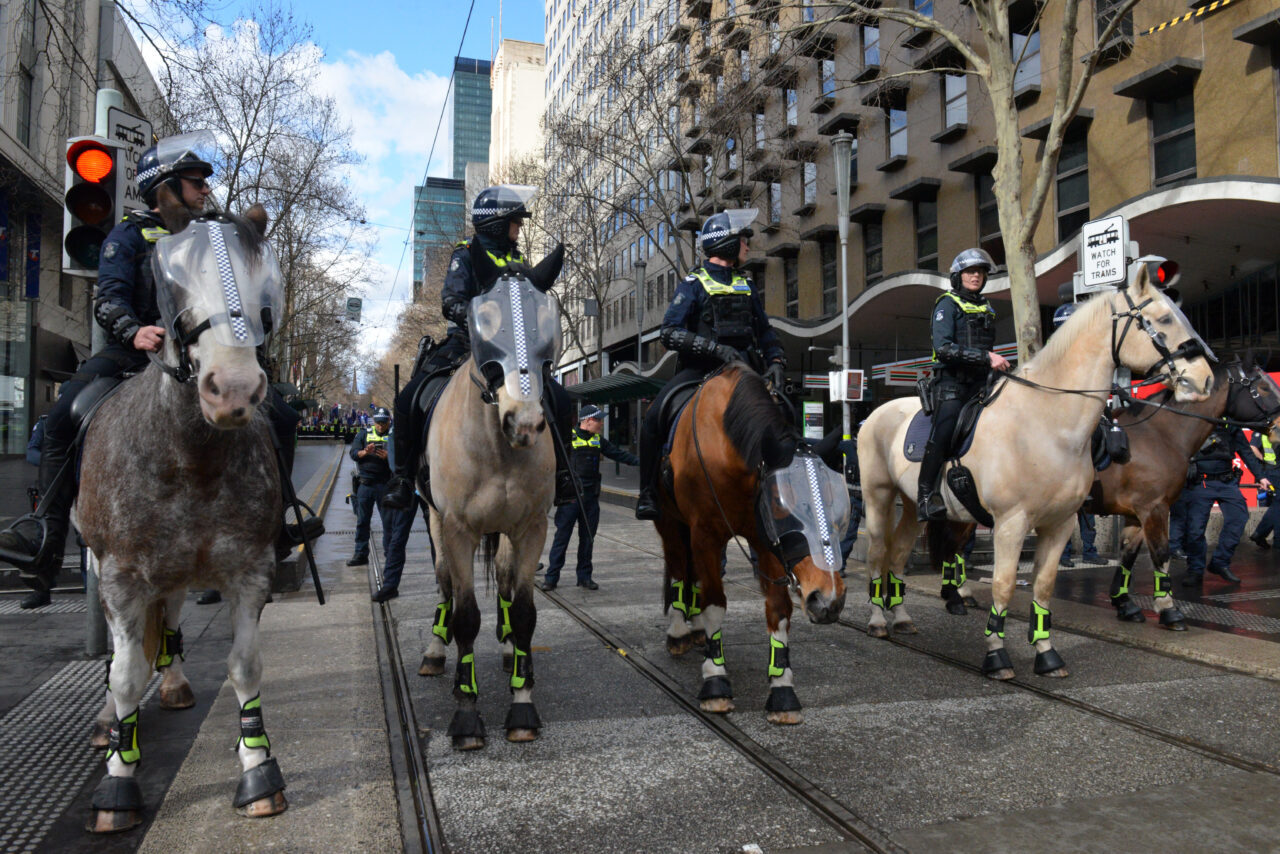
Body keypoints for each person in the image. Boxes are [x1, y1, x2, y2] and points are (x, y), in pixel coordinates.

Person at [0, 136, 216, 609]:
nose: (205, 190)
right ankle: (44, 537)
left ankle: (275, 525)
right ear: (166, 187)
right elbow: (109, 298)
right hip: (133, 356)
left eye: (205, 183)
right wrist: (135, 331)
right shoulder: (128, 236)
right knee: (61, 419)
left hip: (202, 357)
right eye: (196, 182)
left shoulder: (211, 240)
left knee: (276, 415)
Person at [384, 185, 575, 511]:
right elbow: (451, 301)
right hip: (464, 344)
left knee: (560, 398)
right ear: (497, 224)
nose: (520, 228)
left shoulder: (518, 260)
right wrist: (479, 321)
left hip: (511, 349)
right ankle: (402, 478)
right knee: (408, 400)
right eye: (516, 221)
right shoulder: (465, 253)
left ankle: (563, 475)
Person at [635, 209, 786, 520]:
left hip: (745, 372)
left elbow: (765, 331)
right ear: (726, 243)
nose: (747, 246)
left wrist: (776, 361)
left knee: (785, 411)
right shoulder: (693, 284)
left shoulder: (747, 285)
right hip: (699, 371)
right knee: (652, 419)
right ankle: (648, 492)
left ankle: (787, 487)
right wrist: (715, 350)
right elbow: (669, 332)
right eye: (743, 240)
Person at [918, 248, 1010, 521]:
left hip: (983, 383)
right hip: (952, 385)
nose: (976, 276)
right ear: (958, 276)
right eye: (970, 272)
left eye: (980, 272)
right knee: (945, 430)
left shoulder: (986, 306)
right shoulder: (947, 304)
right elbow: (943, 349)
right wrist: (986, 357)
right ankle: (925, 496)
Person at [539, 404, 637, 591]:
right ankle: (551, 578)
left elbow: (619, 455)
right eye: (599, 420)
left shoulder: (598, 440)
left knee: (587, 540)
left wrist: (643, 462)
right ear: (589, 421)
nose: (601, 423)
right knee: (562, 539)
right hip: (570, 499)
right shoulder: (567, 438)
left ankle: (584, 577)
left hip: (591, 498)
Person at [1182, 421, 1270, 586]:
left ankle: (1220, 562)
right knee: (1195, 529)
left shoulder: (1230, 423)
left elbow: (1245, 450)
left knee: (1239, 517)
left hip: (1227, 482)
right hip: (1201, 482)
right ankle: (1195, 570)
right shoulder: (1195, 421)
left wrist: (1260, 476)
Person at [1248, 428, 1280, 548]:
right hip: (1274, 471)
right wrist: (1263, 459)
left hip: (1271, 470)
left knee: (1277, 505)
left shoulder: (1265, 427)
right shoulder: (1271, 428)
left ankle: (1261, 534)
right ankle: (1267, 536)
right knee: (1278, 505)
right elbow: (1253, 447)